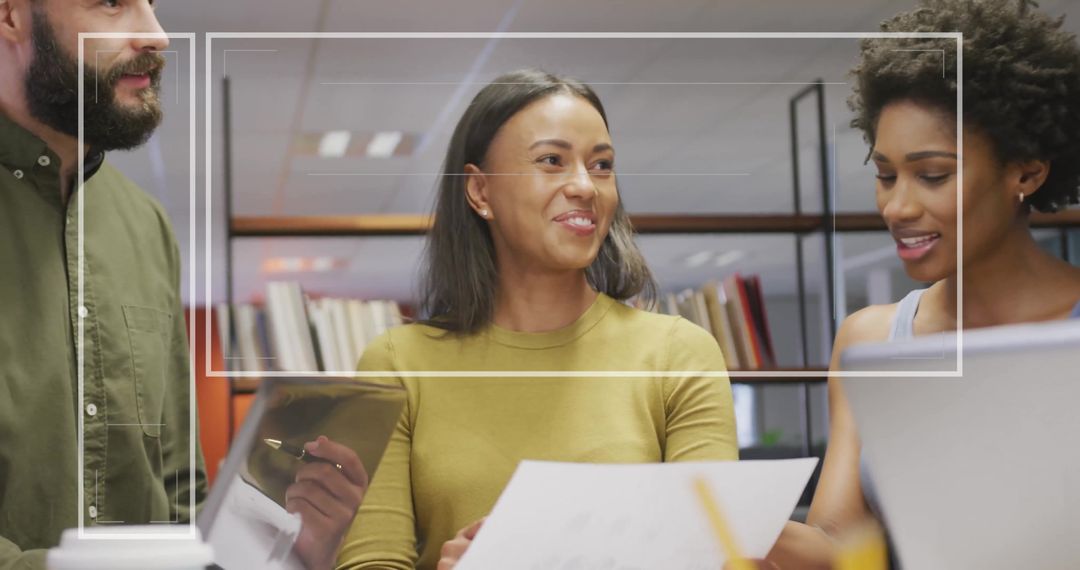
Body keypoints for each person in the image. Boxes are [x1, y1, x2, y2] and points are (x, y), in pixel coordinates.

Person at [0, 1, 364, 568]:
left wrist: (289, 546)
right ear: (11, 17)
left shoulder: (143, 226)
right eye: (112, 3)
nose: (157, 35)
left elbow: (179, 494)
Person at [335, 69, 738, 570]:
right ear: (480, 191)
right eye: (552, 161)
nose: (585, 186)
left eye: (602, 165)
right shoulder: (398, 363)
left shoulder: (679, 353)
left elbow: (714, 556)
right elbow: (372, 560)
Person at [760, 1, 1080, 568]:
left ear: (1026, 173)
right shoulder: (871, 340)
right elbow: (840, 547)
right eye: (885, 175)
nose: (896, 205)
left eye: (933, 175)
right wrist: (726, 524)